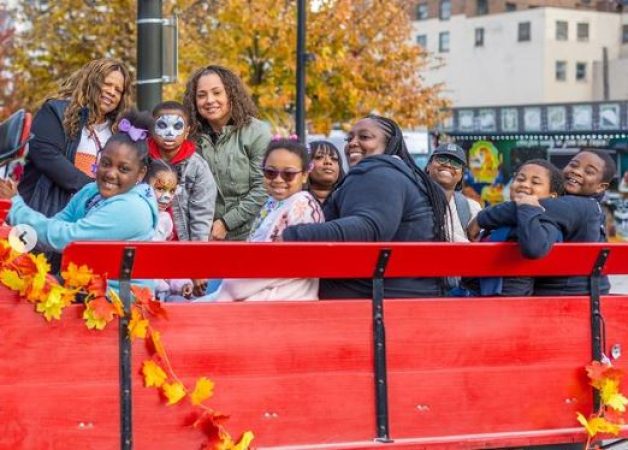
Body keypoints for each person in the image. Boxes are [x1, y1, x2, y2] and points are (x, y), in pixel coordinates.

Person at [282, 114, 449, 299]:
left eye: (364, 137)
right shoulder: (405, 176)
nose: (352, 143)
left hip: (375, 303)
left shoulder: (379, 172)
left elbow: (368, 227)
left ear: (390, 143)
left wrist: (289, 235)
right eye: (349, 138)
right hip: (407, 297)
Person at [0, 109, 157, 256]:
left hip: (115, 286)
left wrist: (15, 207)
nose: (110, 173)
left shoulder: (132, 209)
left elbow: (66, 238)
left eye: (123, 169)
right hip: (78, 281)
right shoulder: (91, 190)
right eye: (106, 163)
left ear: (140, 173)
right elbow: (52, 229)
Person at [470, 150, 615, 296]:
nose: (577, 171)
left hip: (566, 297)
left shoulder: (581, 206)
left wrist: (480, 219)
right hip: (581, 294)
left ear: (600, 187)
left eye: (589, 172)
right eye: (573, 165)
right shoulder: (588, 208)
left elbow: (525, 204)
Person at [209, 138, 324, 301]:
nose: (278, 179)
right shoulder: (272, 202)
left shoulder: (302, 205)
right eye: (270, 172)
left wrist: (235, 283)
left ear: (304, 175)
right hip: (260, 290)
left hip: (285, 295)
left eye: (288, 174)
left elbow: (292, 264)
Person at [19, 58, 132, 218]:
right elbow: (47, 156)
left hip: (96, 219)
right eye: (106, 84)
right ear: (91, 82)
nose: (111, 92)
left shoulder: (119, 131)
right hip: (50, 216)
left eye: (118, 90)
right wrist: (95, 190)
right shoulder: (55, 112)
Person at [183, 65, 271, 241]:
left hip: (249, 236)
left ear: (231, 94)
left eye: (217, 93)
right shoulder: (188, 136)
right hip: (200, 235)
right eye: (201, 95)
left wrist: (225, 223)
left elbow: (262, 187)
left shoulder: (257, 132)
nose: (209, 100)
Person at [461, 160, 565, 296]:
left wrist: (526, 207)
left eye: (535, 182)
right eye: (520, 179)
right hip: (476, 296)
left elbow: (533, 248)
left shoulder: (547, 225)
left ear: (553, 195)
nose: (524, 184)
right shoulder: (501, 219)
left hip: (506, 302)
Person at [148, 100, 217, 242]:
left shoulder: (198, 167)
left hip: (180, 244)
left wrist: (196, 251)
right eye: (162, 125)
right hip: (143, 239)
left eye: (177, 126)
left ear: (186, 132)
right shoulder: (140, 159)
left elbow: (202, 215)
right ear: (151, 128)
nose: (169, 132)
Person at [144, 159, 194, 301]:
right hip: (141, 292)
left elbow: (166, 260)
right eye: (160, 189)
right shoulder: (137, 217)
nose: (166, 197)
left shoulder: (166, 220)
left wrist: (181, 282)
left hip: (161, 294)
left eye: (171, 191)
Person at [425, 143, 482, 242]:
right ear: (428, 167)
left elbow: (480, 248)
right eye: (441, 159)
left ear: (461, 176)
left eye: (455, 163)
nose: (448, 164)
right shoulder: (413, 200)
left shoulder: (471, 208)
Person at [307, 140, 345, 204]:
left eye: (334, 159)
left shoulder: (348, 199)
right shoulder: (294, 199)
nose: (328, 162)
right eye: (319, 157)